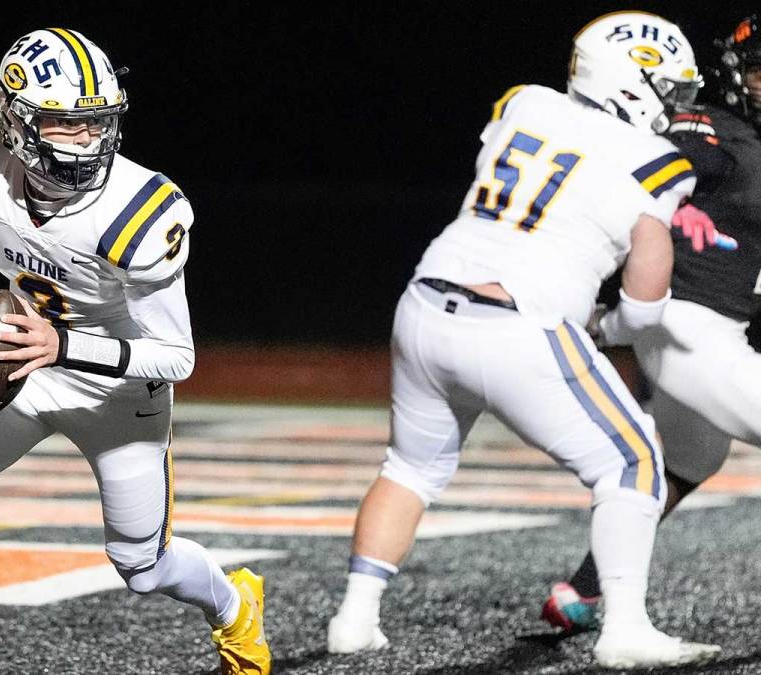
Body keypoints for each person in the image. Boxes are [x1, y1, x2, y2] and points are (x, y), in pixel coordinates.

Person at [0, 28, 269, 675]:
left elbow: (177, 355)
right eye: (66, 125)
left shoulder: (140, 210)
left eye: (97, 124)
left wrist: (62, 343)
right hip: (20, 371)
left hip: (116, 393)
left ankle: (234, 606)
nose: (87, 140)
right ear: (13, 119)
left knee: (142, 568)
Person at [325, 11, 720, 670]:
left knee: (409, 468)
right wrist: (615, 326)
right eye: (671, 90)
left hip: (425, 300)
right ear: (635, 84)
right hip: (518, 319)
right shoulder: (653, 158)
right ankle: (625, 627)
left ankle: (354, 616)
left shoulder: (524, 104)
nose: (678, 105)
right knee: (635, 463)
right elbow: (647, 293)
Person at [542, 13, 761, 633]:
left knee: (695, 458)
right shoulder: (715, 128)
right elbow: (667, 159)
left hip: (712, 336)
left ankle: (579, 590)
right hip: (688, 329)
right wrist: (675, 201)